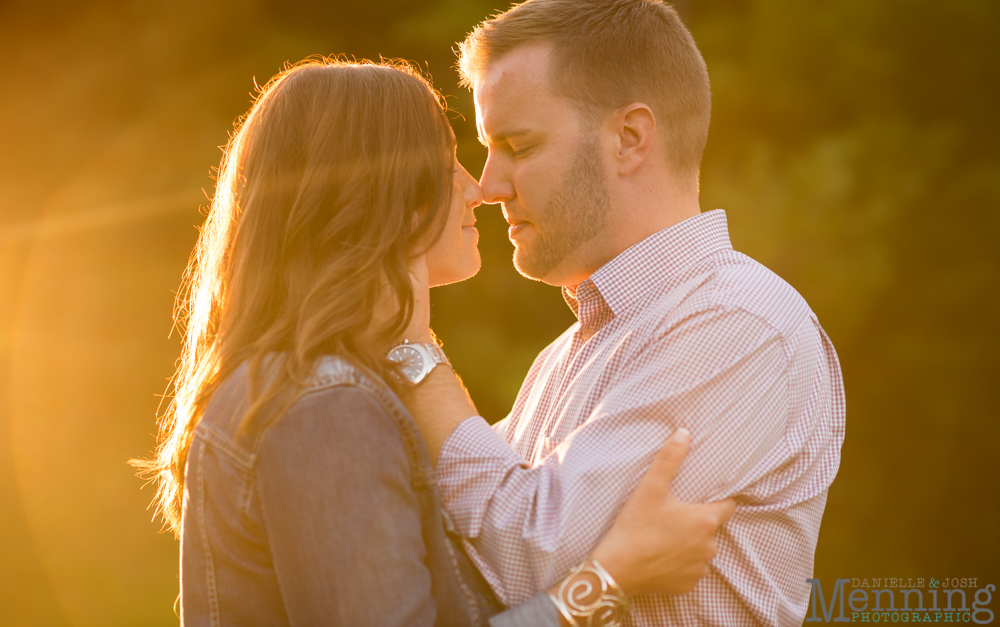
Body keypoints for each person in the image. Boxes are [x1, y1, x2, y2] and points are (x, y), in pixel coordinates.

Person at [132, 58, 735, 627]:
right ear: (388, 188)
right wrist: (609, 579)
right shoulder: (327, 410)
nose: (477, 189)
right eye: (451, 163)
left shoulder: (311, 388)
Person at [398, 0, 848, 627]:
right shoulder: (567, 354)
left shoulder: (738, 325)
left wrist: (412, 349)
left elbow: (528, 554)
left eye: (517, 146)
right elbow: (468, 553)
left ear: (630, 139)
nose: (489, 184)